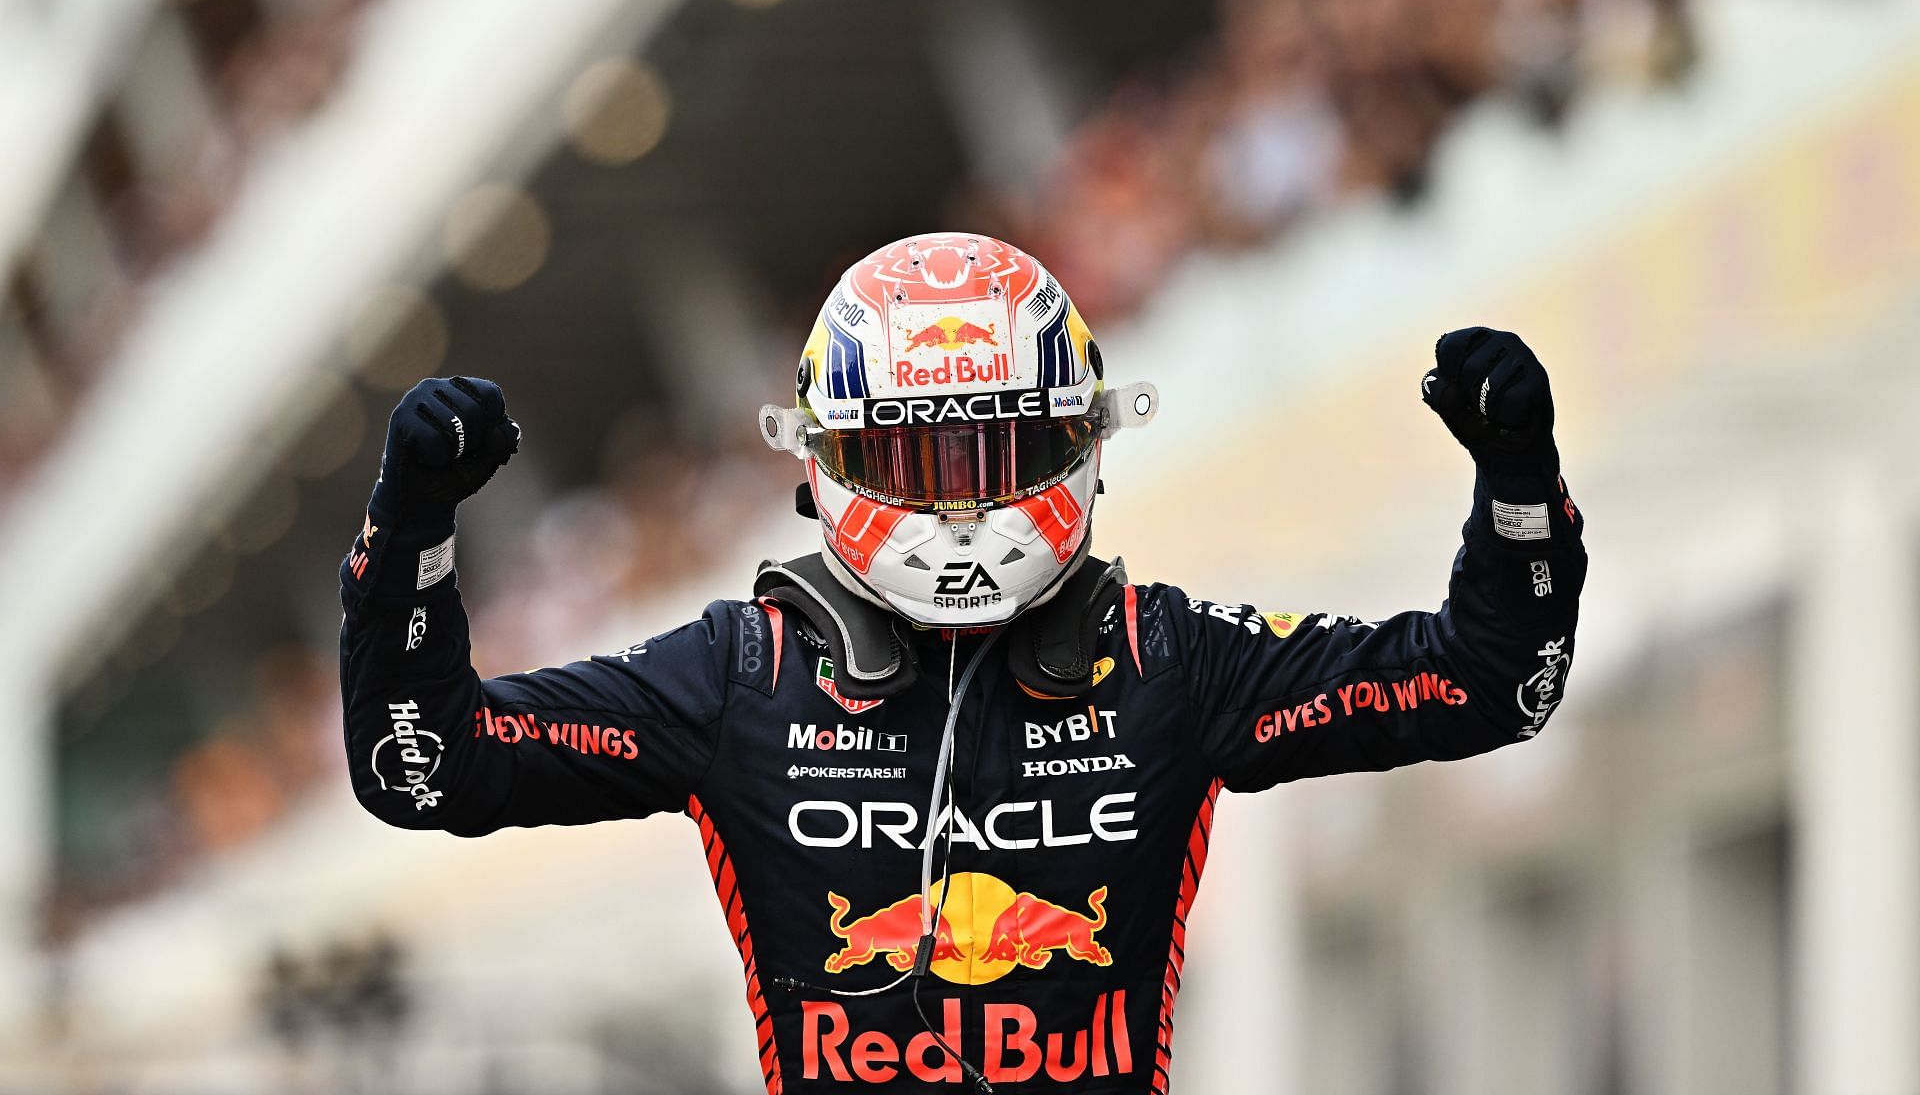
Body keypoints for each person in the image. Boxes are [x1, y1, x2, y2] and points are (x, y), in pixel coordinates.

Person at [340, 233, 1585, 1093]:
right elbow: (426, 766)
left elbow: (1487, 683)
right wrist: (409, 537)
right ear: (825, 459)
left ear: (1086, 441)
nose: (960, 509)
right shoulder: (738, 673)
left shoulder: (1167, 656)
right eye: (919, 461)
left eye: (996, 454)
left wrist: (1520, 494)